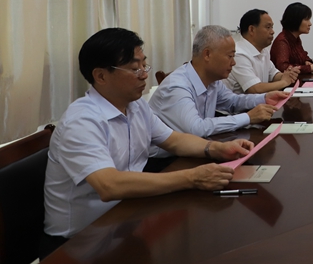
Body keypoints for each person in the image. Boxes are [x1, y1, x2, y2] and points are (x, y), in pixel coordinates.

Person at [42, 28, 253, 254]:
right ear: (101, 76)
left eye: (145, 65)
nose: (144, 75)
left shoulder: (136, 106)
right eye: (135, 69)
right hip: (80, 243)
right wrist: (192, 177)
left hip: (126, 219)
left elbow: (174, 140)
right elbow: (109, 185)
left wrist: (217, 148)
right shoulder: (81, 121)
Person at [150, 25, 288, 137]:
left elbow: (232, 102)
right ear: (207, 54)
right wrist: (248, 117)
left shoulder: (212, 81)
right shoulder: (177, 86)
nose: (233, 62)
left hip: (196, 148)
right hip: (166, 159)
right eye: (230, 56)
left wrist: (264, 98)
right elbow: (196, 129)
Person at [223, 9, 299, 94]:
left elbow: (273, 75)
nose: (272, 31)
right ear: (252, 29)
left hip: (259, 101)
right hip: (239, 102)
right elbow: (254, 89)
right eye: (268, 27)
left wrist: (288, 75)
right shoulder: (238, 54)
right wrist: (284, 82)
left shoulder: (263, 51)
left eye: (272, 27)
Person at [271, 2, 313, 73]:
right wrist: (311, 68)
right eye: (306, 19)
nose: (310, 24)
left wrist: (306, 62)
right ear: (295, 20)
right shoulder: (282, 41)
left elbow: (304, 56)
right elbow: (283, 67)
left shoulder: (295, 38)